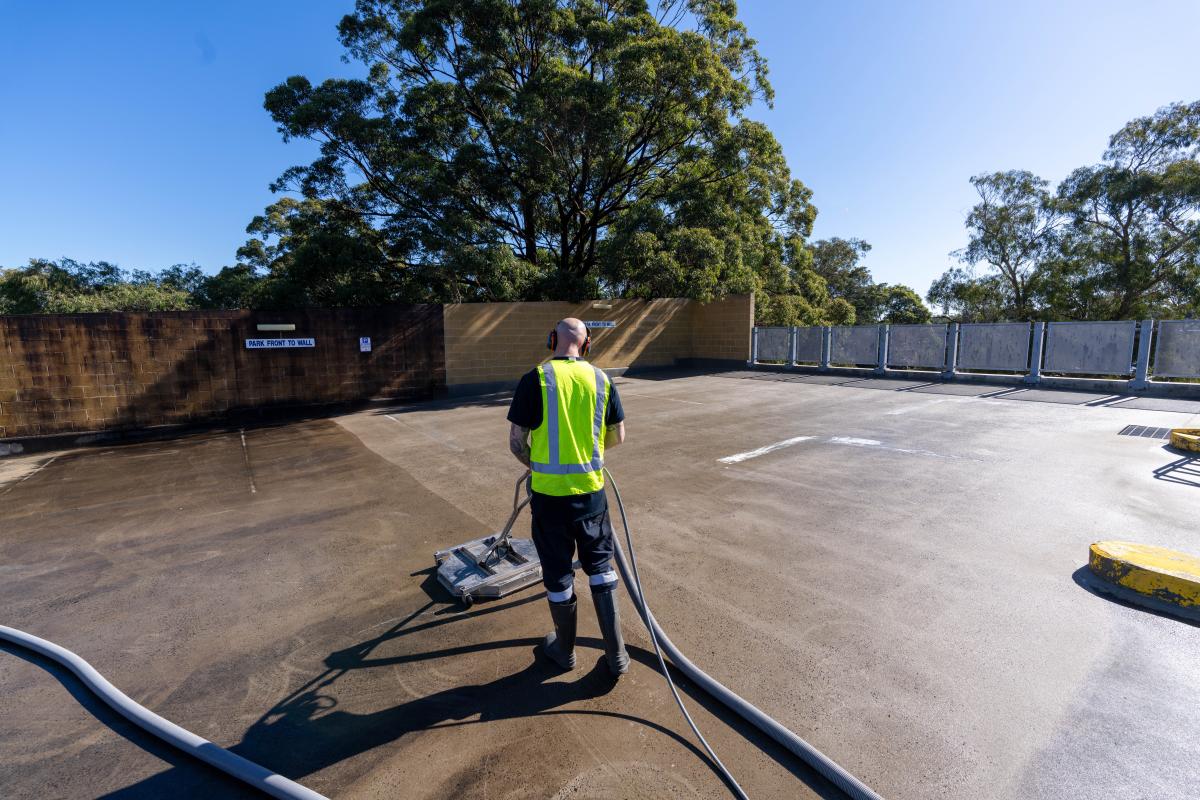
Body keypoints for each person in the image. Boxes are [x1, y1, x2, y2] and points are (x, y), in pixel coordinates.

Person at [506, 318, 629, 677]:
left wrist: (538, 465)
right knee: (601, 569)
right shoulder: (601, 379)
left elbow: (516, 442)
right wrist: (584, 456)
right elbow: (618, 436)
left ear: (551, 340)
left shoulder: (536, 379)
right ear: (587, 344)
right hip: (592, 495)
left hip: (549, 499)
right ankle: (617, 654)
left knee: (559, 575)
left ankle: (564, 651)